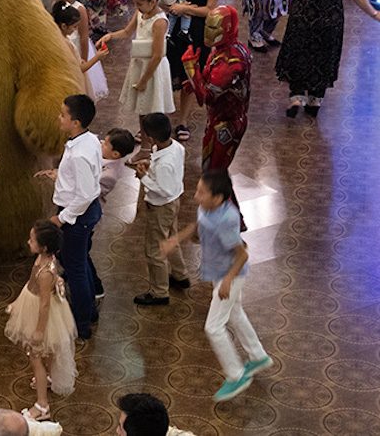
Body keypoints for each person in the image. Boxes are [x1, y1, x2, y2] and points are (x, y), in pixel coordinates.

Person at [161, 171, 272, 402]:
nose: (195, 196)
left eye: (202, 192)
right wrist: (176, 239)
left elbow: (242, 254)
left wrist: (228, 281)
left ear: (218, 198)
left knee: (213, 327)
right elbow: (196, 225)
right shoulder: (207, 208)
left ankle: (236, 374)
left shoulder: (227, 219)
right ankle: (258, 355)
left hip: (230, 275)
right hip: (219, 273)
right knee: (235, 313)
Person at [275, 0, 380, 117]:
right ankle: (314, 101)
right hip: (329, 23)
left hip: (300, 18)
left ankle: (296, 97)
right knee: (322, 58)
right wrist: (374, 13)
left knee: (299, 54)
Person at [37, 94, 102, 341]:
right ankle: (89, 312)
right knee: (79, 262)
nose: (59, 117)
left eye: (63, 114)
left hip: (77, 216)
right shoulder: (87, 140)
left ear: (75, 122)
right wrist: (59, 176)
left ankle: (81, 322)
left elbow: (84, 194)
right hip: (80, 210)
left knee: (74, 269)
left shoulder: (79, 154)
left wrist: (61, 218)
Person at [4, 219, 76, 422]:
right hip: (32, 304)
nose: (28, 242)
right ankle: (48, 378)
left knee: (35, 356)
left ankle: (42, 405)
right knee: (48, 350)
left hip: (40, 314)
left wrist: (39, 331)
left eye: (32, 240)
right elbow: (30, 283)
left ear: (43, 247)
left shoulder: (46, 272)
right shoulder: (44, 260)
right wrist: (18, 303)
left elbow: (44, 304)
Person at [100, 0, 175, 138]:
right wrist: (111, 36)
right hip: (139, 63)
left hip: (152, 69)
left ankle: (153, 142)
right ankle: (145, 143)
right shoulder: (141, 13)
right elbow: (127, 31)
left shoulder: (159, 22)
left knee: (152, 109)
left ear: (153, 1)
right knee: (142, 107)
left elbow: (156, 55)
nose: (137, 7)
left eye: (140, 4)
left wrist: (143, 81)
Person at [165, 0, 221, 141]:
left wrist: (186, 9)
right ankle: (159, 118)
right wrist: (173, 7)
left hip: (196, 30)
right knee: (168, 72)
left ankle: (183, 120)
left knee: (189, 76)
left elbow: (210, 9)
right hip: (173, 24)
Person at [129, 112, 188, 307]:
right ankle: (180, 275)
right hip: (174, 202)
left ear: (151, 138)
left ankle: (159, 291)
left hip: (161, 206)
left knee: (155, 250)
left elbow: (163, 189)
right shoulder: (176, 147)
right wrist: (149, 167)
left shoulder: (164, 164)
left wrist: (143, 177)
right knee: (172, 239)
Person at [182, 5, 251, 172]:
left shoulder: (231, 62)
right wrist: (195, 80)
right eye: (207, 25)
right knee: (213, 172)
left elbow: (206, 96)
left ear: (226, 28)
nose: (208, 31)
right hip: (217, 118)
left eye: (213, 27)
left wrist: (191, 70)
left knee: (214, 175)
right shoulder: (222, 51)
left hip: (227, 123)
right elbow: (207, 83)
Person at [53, 0, 107, 101]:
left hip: (77, 46)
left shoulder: (80, 9)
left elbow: (83, 36)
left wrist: (84, 58)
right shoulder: (56, 6)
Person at [99, 128, 135, 204]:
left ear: (115, 154)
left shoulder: (109, 175)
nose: (101, 143)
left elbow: (93, 192)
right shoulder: (107, 155)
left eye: (105, 144)